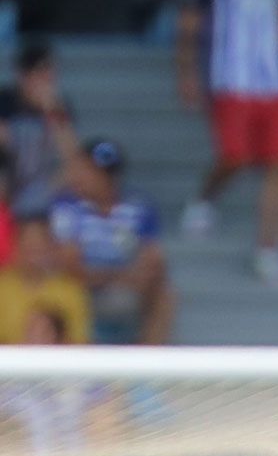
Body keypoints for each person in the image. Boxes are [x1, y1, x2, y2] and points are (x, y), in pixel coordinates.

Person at [176, 0, 278, 283]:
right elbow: (189, 17)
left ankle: (268, 248)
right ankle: (204, 198)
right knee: (235, 155)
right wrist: (186, 71)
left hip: (274, 78)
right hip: (231, 76)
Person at [48, 139, 173, 345]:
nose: (80, 175)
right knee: (66, 290)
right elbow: (69, 267)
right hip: (80, 288)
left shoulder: (139, 206)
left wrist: (137, 276)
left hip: (122, 288)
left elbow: (153, 258)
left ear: (108, 177)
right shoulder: (67, 206)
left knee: (165, 294)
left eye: (88, 170)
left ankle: (145, 364)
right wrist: (121, 277)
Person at [0, 43, 79, 216]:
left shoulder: (59, 106)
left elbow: (71, 154)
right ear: (22, 76)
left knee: (76, 174)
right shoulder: (5, 100)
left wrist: (52, 110)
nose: (46, 80)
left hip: (44, 188)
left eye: (49, 73)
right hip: (9, 183)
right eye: (39, 73)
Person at [0, 216, 89, 344]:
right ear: (16, 249)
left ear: (51, 249)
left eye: (39, 249)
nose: (33, 257)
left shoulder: (70, 290)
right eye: (28, 249)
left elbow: (79, 342)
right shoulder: (3, 286)